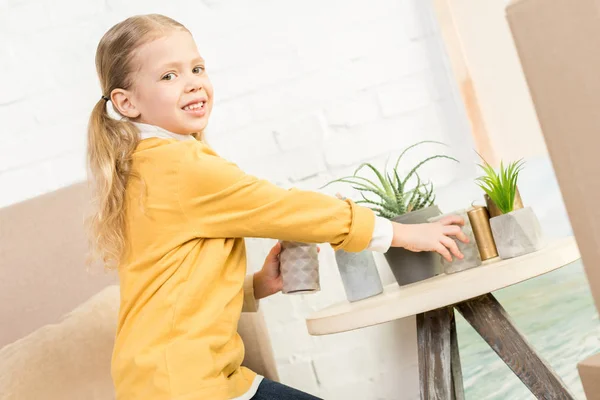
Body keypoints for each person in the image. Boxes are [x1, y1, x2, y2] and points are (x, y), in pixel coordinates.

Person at [86, 14, 468, 400]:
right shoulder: (179, 166)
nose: (192, 82)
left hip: (174, 380)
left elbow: (169, 285)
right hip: (185, 386)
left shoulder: (143, 164)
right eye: (169, 76)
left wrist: (256, 287)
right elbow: (288, 209)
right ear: (126, 102)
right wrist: (402, 233)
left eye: (196, 68)